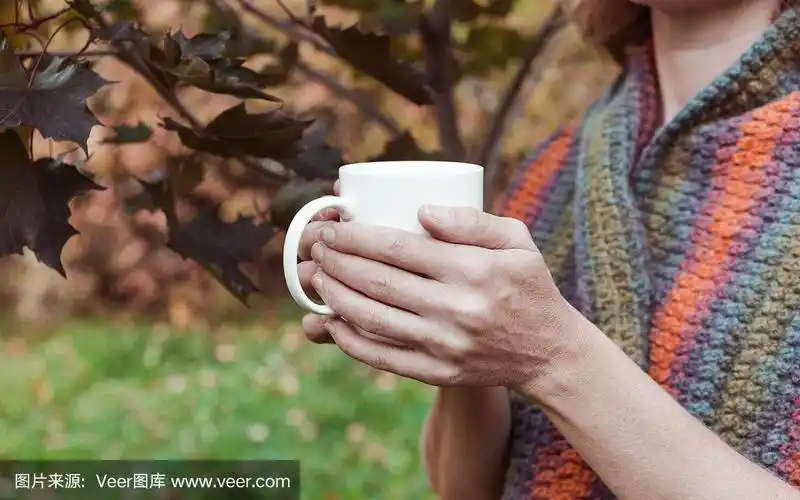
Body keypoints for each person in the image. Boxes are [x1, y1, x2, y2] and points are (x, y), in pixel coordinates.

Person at [294, 0, 800, 498]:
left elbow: (550, 358)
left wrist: (554, 359)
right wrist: (461, 337)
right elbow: (464, 487)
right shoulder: (552, 172)